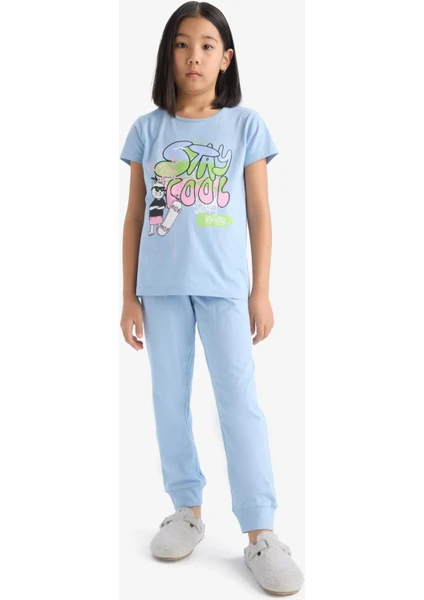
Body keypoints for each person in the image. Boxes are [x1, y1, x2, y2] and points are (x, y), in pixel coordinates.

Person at [120, 1, 304, 594]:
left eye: (205, 45)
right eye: (181, 44)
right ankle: (186, 509)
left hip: (225, 288)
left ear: (226, 58)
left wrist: (261, 291)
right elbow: (134, 218)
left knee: (238, 403)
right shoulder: (148, 130)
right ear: (168, 54)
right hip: (160, 290)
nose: (192, 56)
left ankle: (261, 532)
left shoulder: (245, 125)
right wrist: (128, 296)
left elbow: (260, 213)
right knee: (168, 400)